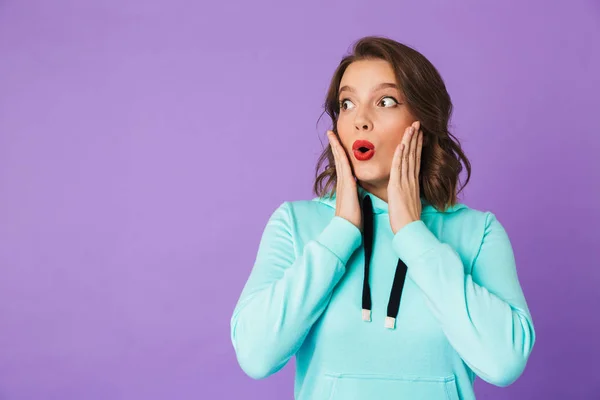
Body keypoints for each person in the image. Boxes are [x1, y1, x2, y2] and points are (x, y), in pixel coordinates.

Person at [230, 35, 536, 400]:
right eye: (347, 103)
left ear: (423, 119)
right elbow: (255, 356)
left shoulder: (478, 232)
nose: (360, 120)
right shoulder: (296, 225)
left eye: (385, 101)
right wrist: (341, 233)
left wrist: (413, 235)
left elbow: (503, 364)